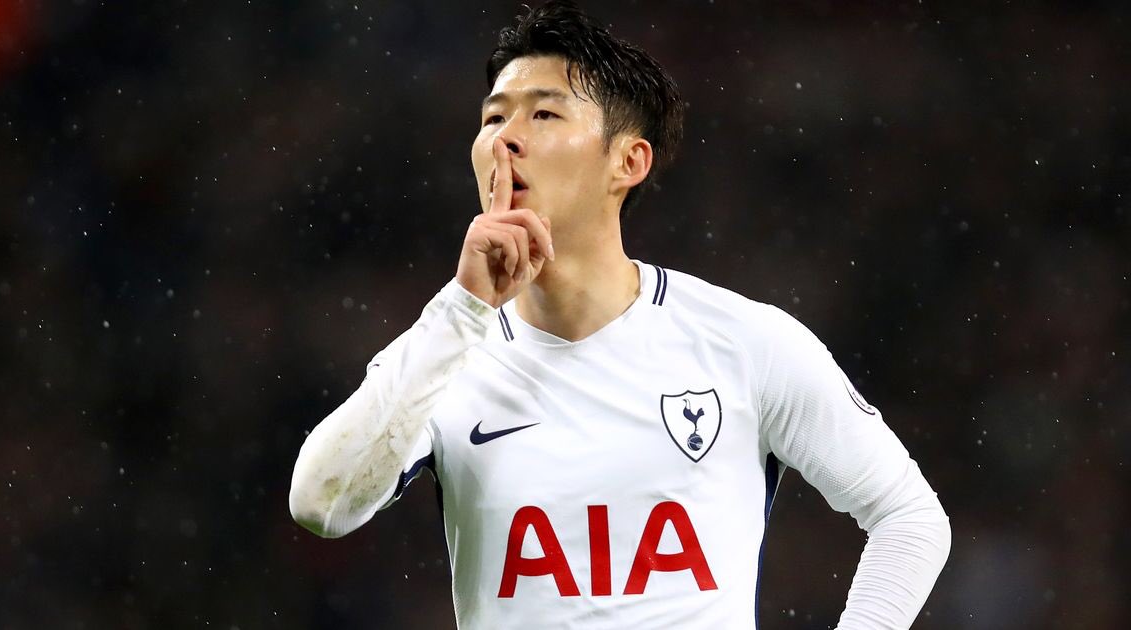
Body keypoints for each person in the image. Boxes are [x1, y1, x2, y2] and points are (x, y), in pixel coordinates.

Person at [288, 1, 950, 628]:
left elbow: (909, 517)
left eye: (543, 114)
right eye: (493, 118)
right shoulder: (448, 352)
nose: (505, 139)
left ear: (628, 161)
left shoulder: (744, 343)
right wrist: (462, 309)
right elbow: (321, 506)